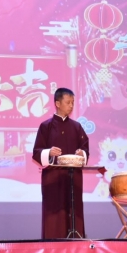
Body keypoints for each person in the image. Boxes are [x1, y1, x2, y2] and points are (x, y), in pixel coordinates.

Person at [31, 88, 90, 239]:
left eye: (73, 103)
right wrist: (49, 152)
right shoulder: (46, 126)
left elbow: (85, 148)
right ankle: (53, 243)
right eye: (68, 102)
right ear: (57, 103)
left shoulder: (77, 127)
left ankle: (76, 242)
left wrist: (81, 154)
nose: (71, 106)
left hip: (73, 178)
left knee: (74, 209)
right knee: (54, 213)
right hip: (53, 178)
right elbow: (36, 152)